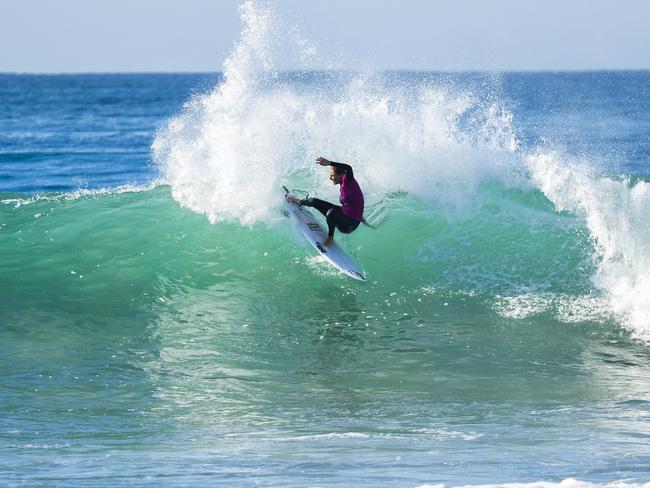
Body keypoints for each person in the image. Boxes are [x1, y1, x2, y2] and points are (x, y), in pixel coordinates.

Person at [288, 156, 365, 247]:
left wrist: (329, 163)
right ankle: (299, 201)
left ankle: (330, 237)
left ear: (341, 175)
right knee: (313, 201)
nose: (330, 178)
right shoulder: (343, 183)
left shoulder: (348, 181)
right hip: (345, 215)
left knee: (331, 213)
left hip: (349, 225)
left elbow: (348, 167)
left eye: (332, 175)